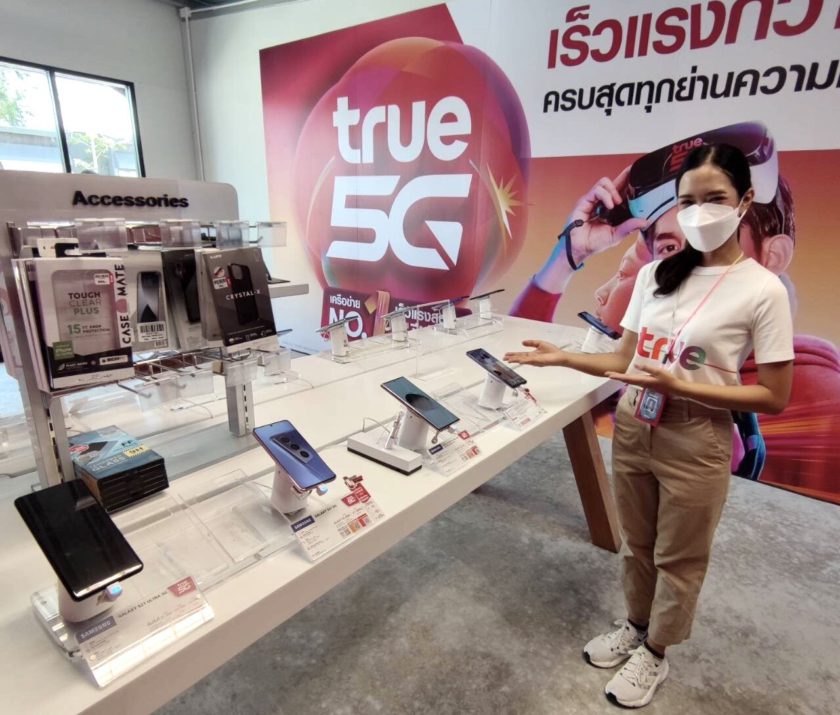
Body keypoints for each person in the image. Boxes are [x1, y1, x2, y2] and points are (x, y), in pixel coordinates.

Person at [505, 144, 794, 708]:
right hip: (637, 421)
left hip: (697, 433)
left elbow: (774, 396)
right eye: (688, 201)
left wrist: (683, 387)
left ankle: (657, 652)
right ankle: (635, 626)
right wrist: (563, 358)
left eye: (715, 198)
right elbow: (624, 360)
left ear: (745, 201)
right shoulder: (655, 276)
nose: (699, 212)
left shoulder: (762, 289)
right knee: (637, 544)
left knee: (679, 556)